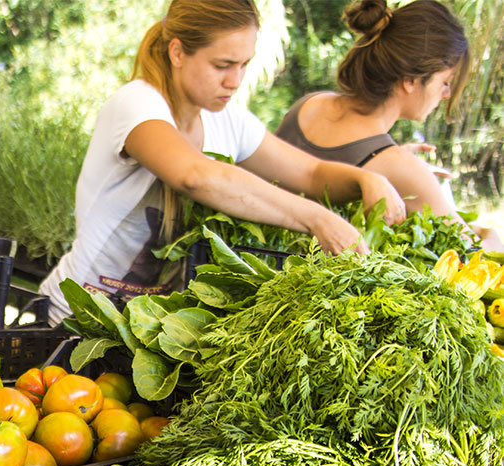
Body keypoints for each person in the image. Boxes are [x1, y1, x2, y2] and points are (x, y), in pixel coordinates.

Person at [38, 0, 405, 323]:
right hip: (71, 322)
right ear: (178, 52)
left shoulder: (226, 119)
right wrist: (317, 218)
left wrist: (365, 181)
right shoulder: (137, 105)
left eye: (244, 65)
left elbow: (309, 172)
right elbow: (195, 176)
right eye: (222, 65)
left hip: (142, 331)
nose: (235, 81)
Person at [274, 0, 503, 250]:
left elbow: (327, 161)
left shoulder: (309, 105)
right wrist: (490, 235)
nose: (446, 94)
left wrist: (392, 158)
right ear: (411, 81)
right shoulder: (400, 167)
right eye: (445, 82)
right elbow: (471, 255)